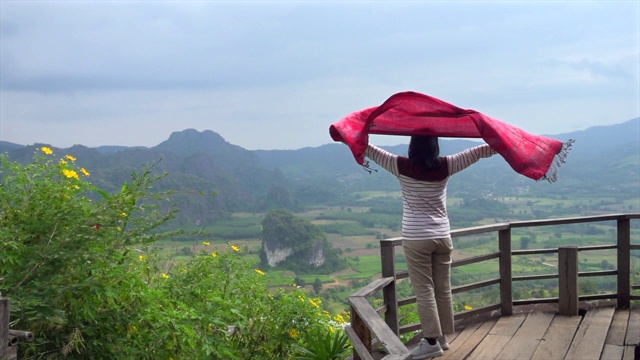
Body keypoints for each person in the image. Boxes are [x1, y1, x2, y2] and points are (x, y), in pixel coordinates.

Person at [364, 136, 497, 359]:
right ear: (435, 146)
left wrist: (347, 135)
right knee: (442, 288)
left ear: (411, 147)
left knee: (424, 290)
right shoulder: (447, 164)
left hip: (416, 237)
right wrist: (507, 142)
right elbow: (480, 151)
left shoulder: (400, 165)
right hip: (443, 236)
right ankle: (442, 337)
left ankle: (431, 341)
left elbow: (371, 151)